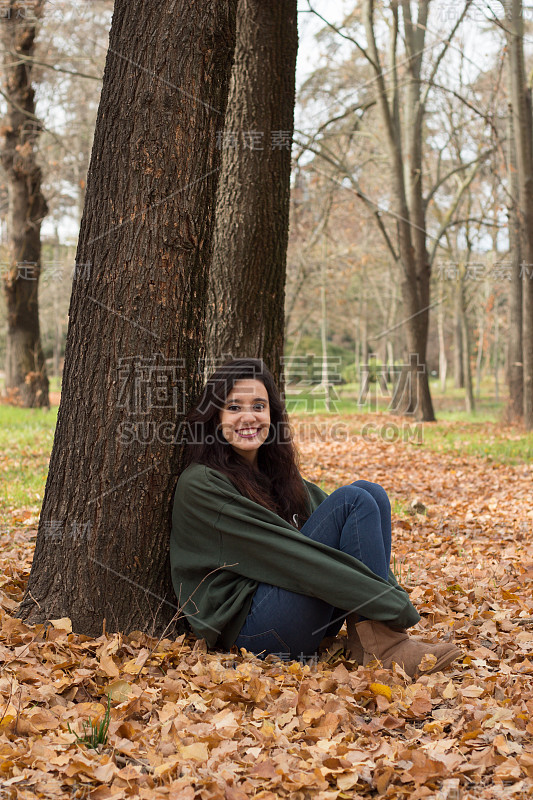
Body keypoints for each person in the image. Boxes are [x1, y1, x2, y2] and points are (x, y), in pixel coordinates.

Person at [170, 358, 461, 678]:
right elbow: (293, 556)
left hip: (291, 615)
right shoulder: (202, 483)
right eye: (234, 407)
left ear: (272, 415)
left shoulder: (273, 474)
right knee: (352, 500)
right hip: (252, 634)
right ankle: (385, 644)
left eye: (259, 405)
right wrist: (392, 604)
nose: (249, 416)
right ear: (216, 418)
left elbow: (345, 527)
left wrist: (387, 601)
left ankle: (375, 639)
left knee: (370, 493)